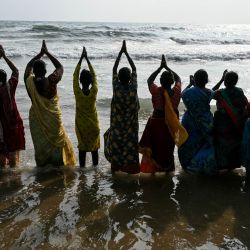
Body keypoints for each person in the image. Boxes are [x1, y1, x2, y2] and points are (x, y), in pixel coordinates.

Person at [24, 40, 76, 167]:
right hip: (53, 118)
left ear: (34, 71)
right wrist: (47, 53)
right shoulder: (51, 81)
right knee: (56, 143)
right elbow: (60, 67)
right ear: (46, 70)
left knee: (41, 145)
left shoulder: (29, 81)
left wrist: (39, 55)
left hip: (37, 118)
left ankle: (42, 168)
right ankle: (58, 166)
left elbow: (27, 68)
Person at [139, 55, 188, 173]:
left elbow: (149, 80)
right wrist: (168, 67)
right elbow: (179, 78)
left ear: (160, 81)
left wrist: (160, 68)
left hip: (155, 123)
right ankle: (167, 171)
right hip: (171, 125)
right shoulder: (176, 92)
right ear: (171, 82)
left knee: (154, 147)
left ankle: (153, 172)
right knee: (168, 148)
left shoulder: (156, 91)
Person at [104, 40, 140, 174]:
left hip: (118, 126)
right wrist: (127, 53)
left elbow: (114, 69)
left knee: (117, 146)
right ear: (130, 78)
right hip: (131, 126)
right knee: (130, 147)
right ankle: (131, 170)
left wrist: (121, 53)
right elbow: (135, 69)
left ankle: (116, 168)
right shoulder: (133, 87)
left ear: (118, 78)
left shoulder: (116, 87)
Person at [178, 69, 217, 175]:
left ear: (194, 80)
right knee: (205, 144)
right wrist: (222, 80)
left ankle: (188, 165)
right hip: (205, 122)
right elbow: (214, 92)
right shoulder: (208, 93)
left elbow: (182, 94)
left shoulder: (188, 93)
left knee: (189, 142)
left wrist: (191, 84)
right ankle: (202, 165)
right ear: (206, 81)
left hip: (189, 122)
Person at [212, 70, 248, 170]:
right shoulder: (239, 91)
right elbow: (244, 103)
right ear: (236, 81)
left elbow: (210, 93)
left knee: (222, 145)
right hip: (236, 124)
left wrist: (220, 80)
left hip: (222, 125)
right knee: (234, 144)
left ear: (225, 81)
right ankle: (233, 166)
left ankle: (223, 165)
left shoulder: (220, 93)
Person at [73, 47, 100, 167]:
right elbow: (94, 76)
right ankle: (95, 171)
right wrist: (87, 59)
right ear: (91, 82)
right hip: (94, 125)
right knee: (95, 150)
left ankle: (82, 172)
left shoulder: (78, 93)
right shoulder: (94, 91)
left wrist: (81, 59)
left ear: (80, 81)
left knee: (82, 149)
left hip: (81, 126)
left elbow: (74, 76)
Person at [0, 45, 25, 167]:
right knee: (13, 153)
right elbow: (16, 71)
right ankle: (14, 179)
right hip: (13, 125)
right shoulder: (9, 87)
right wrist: (4, 56)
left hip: (1, 127)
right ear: (5, 79)